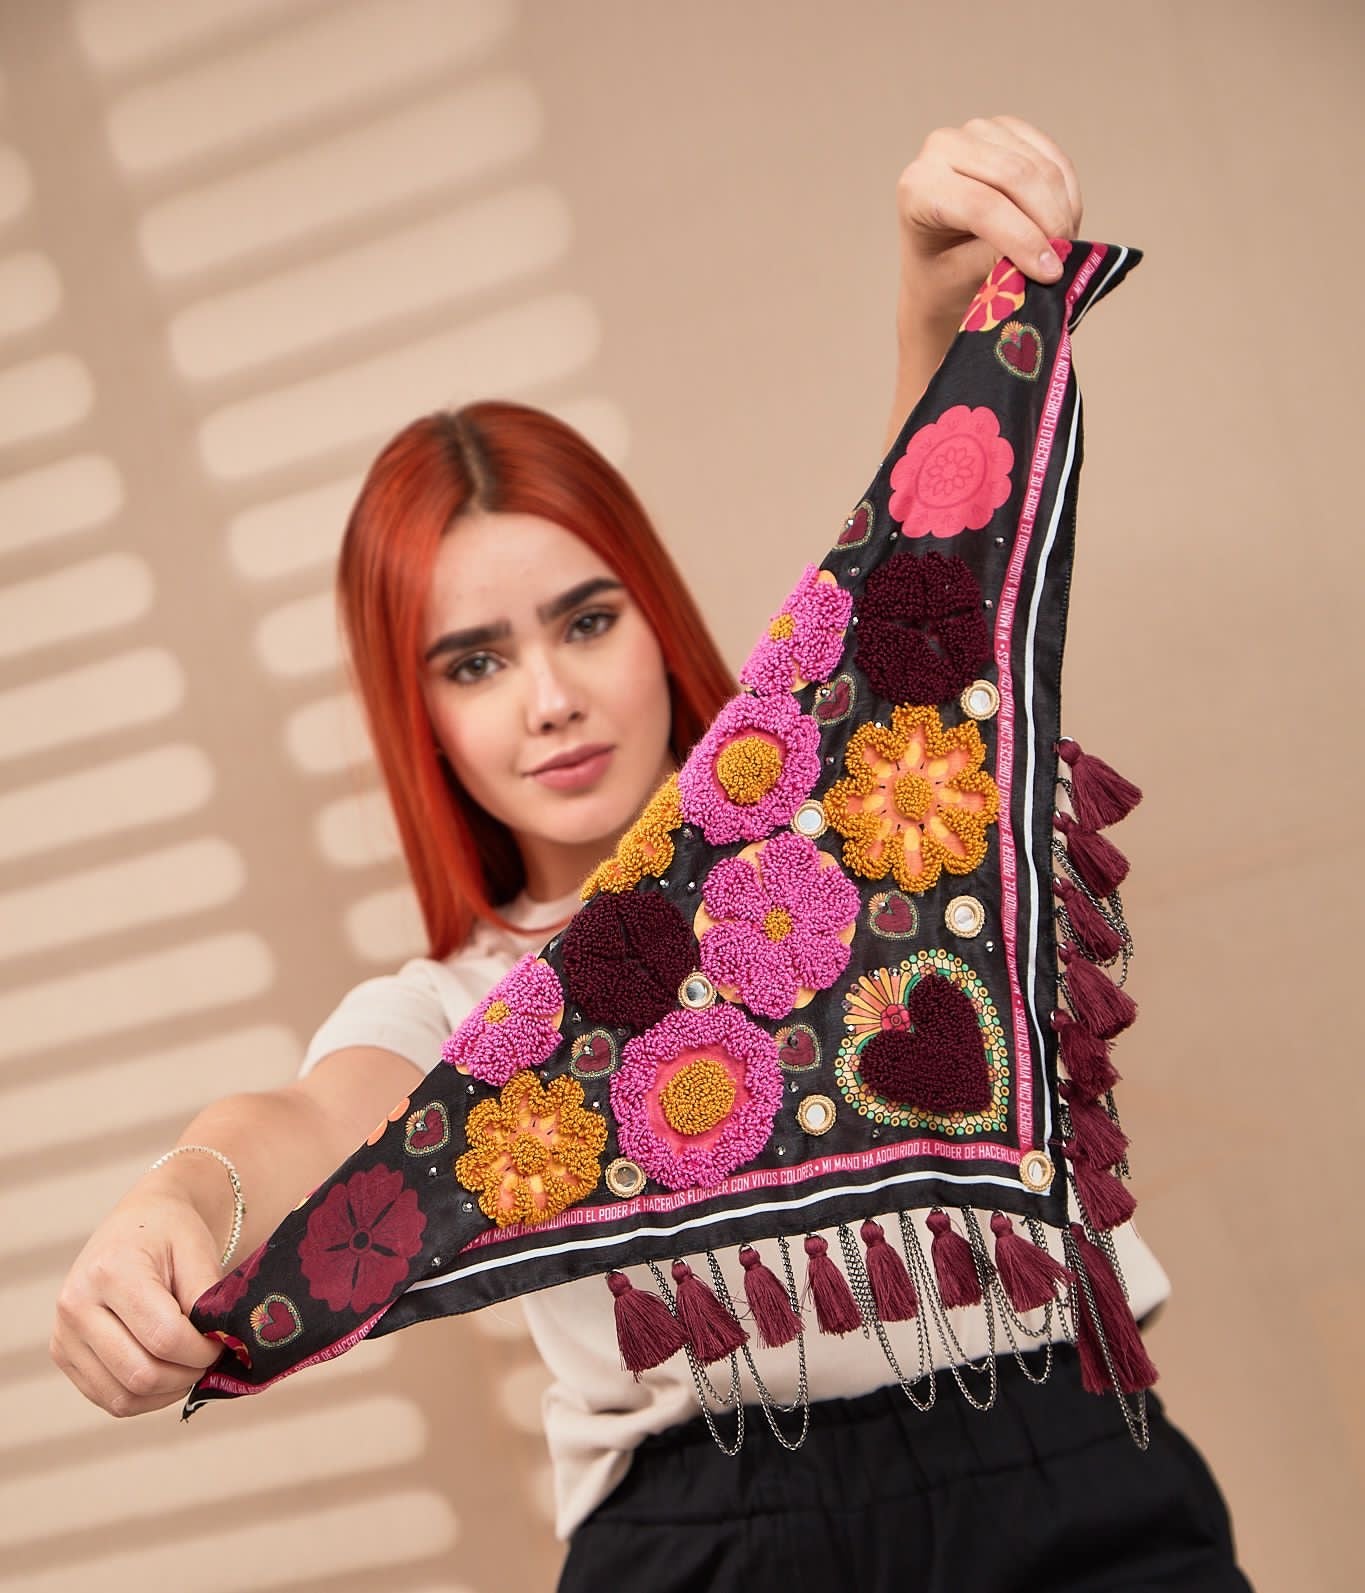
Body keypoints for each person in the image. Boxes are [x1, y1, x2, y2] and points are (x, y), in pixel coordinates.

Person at [51, 117, 1250, 1591]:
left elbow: (912, 580)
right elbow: (302, 1124)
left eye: (585, 620)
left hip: (1061, 1470)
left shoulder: (873, 819)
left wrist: (936, 308)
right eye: (473, 661)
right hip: (708, 1541)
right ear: (417, 715)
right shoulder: (454, 1014)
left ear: (651, 613)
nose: (548, 697)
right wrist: (180, 1201)